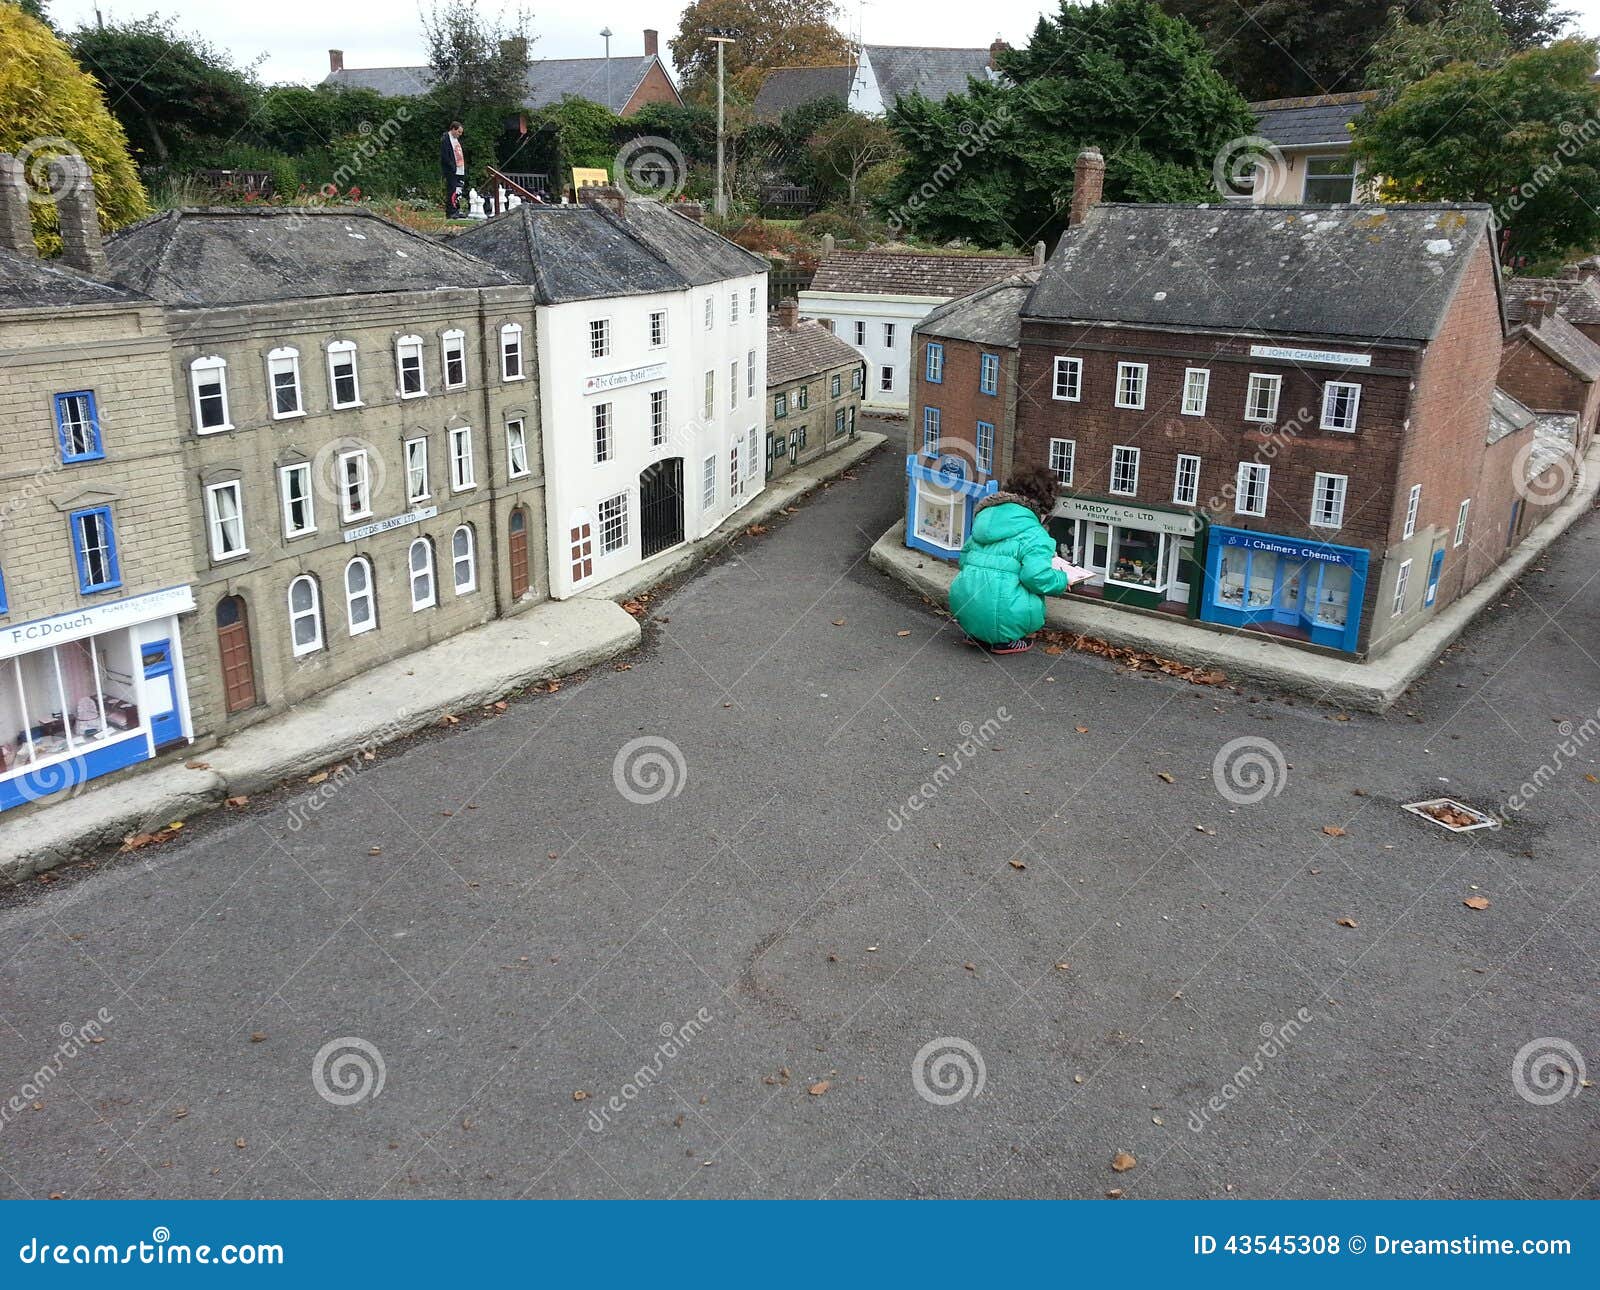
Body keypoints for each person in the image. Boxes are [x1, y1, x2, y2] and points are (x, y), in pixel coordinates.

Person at [948, 466, 1069, 654]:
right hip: (1005, 616)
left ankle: (975, 633)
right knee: (1024, 590)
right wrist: (1062, 580)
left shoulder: (984, 519)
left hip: (964, 606)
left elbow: (964, 560)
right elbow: (1036, 577)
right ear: (1044, 505)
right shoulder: (1036, 533)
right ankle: (1005, 641)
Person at [440, 122, 466, 219]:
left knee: (458, 190)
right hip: (451, 170)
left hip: (460, 168)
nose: (460, 134)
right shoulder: (446, 139)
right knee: (452, 190)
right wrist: (452, 166)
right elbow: (445, 155)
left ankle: (457, 209)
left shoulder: (456, 140)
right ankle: (450, 212)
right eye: (459, 132)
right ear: (453, 129)